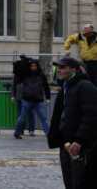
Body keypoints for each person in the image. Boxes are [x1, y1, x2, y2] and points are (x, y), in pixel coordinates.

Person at [48, 57, 97, 189]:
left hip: (81, 146)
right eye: (58, 67)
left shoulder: (85, 86)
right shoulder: (65, 87)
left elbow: (91, 115)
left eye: (63, 67)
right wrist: (60, 139)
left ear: (74, 69)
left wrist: (79, 140)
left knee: (81, 182)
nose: (59, 70)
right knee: (69, 182)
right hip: (66, 144)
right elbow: (60, 116)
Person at [13, 59, 50, 139]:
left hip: (38, 100)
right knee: (22, 117)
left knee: (43, 118)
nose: (33, 67)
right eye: (32, 66)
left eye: (35, 66)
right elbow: (17, 75)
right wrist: (22, 63)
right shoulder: (25, 74)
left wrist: (48, 97)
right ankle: (17, 132)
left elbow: (46, 86)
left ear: (37, 66)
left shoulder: (41, 75)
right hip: (27, 99)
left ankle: (48, 134)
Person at [11, 55, 35, 136]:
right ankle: (26, 130)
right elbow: (14, 83)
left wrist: (13, 95)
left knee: (24, 113)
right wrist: (13, 95)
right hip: (22, 94)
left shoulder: (24, 71)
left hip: (24, 94)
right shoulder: (24, 71)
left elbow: (14, 84)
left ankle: (24, 130)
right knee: (26, 113)